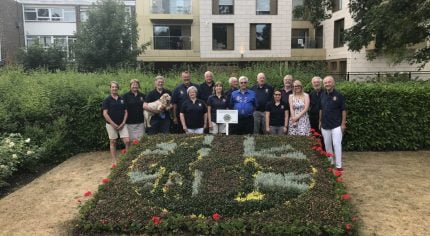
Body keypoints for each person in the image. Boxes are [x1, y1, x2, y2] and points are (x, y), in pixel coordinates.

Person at [319, 76, 346, 171]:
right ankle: (330, 163)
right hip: (325, 125)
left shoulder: (339, 95)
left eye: (329, 82)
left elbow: (343, 110)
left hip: (336, 125)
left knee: (337, 144)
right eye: (325, 83)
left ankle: (338, 166)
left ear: (333, 83)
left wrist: (343, 124)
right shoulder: (322, 95)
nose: (327, 84)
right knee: (327, 145)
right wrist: (320, 121)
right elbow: (321, 109)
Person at [102, 81, 129, 164]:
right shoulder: (107, 100)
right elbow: (105, 113)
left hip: (122, 124)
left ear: (118, 88)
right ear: (110, 88)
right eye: (112, 87)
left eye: (116, 87)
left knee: (127, 141)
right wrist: (113, 124)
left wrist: (123, 122)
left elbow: (126, 112)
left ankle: (127, 159)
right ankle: (114, 161)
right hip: (111, 125)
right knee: (113, 142)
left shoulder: (122, 99)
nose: (114, 88)